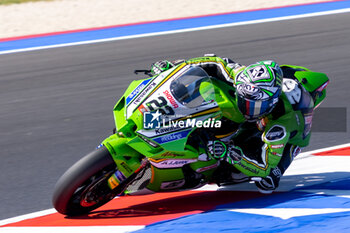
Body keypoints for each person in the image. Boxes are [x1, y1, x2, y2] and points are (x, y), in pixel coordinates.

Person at [150, 54, 328, 194]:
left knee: (267, 182)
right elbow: (212, 61)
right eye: (246, 100)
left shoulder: (282, 123)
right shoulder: (239, 74)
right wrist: (174, 66)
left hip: (294, 124)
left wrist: (228, 153)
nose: (249, 108)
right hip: (278, 83)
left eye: (257, 105)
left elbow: (263, 167)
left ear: (272, 102)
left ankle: (279, 169)